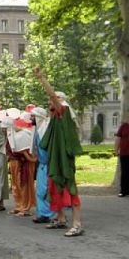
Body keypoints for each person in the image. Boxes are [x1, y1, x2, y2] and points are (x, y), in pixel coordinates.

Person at [34, 66, 83, 237]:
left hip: (64, 160)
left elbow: (52, 96)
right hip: (55, 159)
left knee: (70, 187)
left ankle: (77, 224)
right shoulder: (54, 119)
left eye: (52, 103)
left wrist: (41, 78)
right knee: (55, 187)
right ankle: (61, 219)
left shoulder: (64, 112)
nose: (49, 104)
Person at [5, 118, 36, 217]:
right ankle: (19, 206)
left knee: (23, 185)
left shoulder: (23, 134)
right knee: (15, 185)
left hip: (22, 163)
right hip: (14, 162)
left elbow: (26, 150)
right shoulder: (10, 135)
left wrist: (29, 158)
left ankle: (25, 207)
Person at [31, 107, 57, 223]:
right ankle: (43, 213)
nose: (31, 118)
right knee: (41, 189)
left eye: (33, 116)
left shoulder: (45, 130)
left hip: (48, 164)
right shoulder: (38, 129)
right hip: (42, 164)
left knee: (47, 189)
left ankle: (50, 214)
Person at [115, 111, 129, 197]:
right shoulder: (123, 126)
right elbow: (118, 138)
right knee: (124, 172)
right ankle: (123, 191)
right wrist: (116, 150)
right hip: (124, 153)